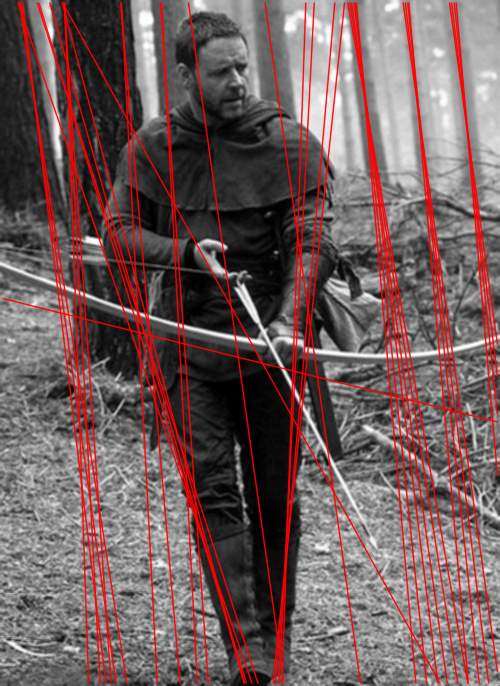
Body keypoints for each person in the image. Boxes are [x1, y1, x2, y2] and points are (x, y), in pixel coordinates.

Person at [105, 11, 337, 685]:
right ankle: (247, 649)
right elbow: (118, 234)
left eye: (242, 67)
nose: (238, 82)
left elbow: (311, 240)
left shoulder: (286, 143)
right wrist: (184, 254)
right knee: (212, 491)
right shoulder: (152, 148)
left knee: (275, 494)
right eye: (220, 72)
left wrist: (290, 321)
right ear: (185, 76)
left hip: (273, 342)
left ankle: (276, 633)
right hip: (189, 343)